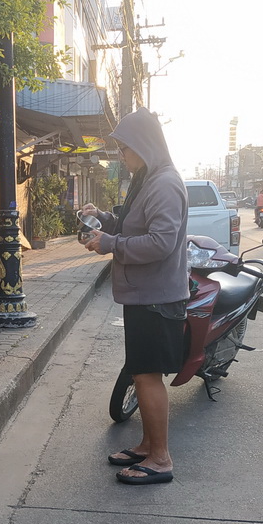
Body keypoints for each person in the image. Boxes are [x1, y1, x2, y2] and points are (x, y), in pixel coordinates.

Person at [81, 107, 188, 485]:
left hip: (156, 298)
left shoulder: (164, 183)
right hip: (144, 295)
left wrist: (110, 243)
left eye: (124, 148)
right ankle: (147, 445)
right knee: (142, 374)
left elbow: (160, 242)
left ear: (142, 145)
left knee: (147, 377)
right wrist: (104, 218)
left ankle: (160, 459)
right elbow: (134, 225)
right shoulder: (147, 179)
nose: (121, 156)